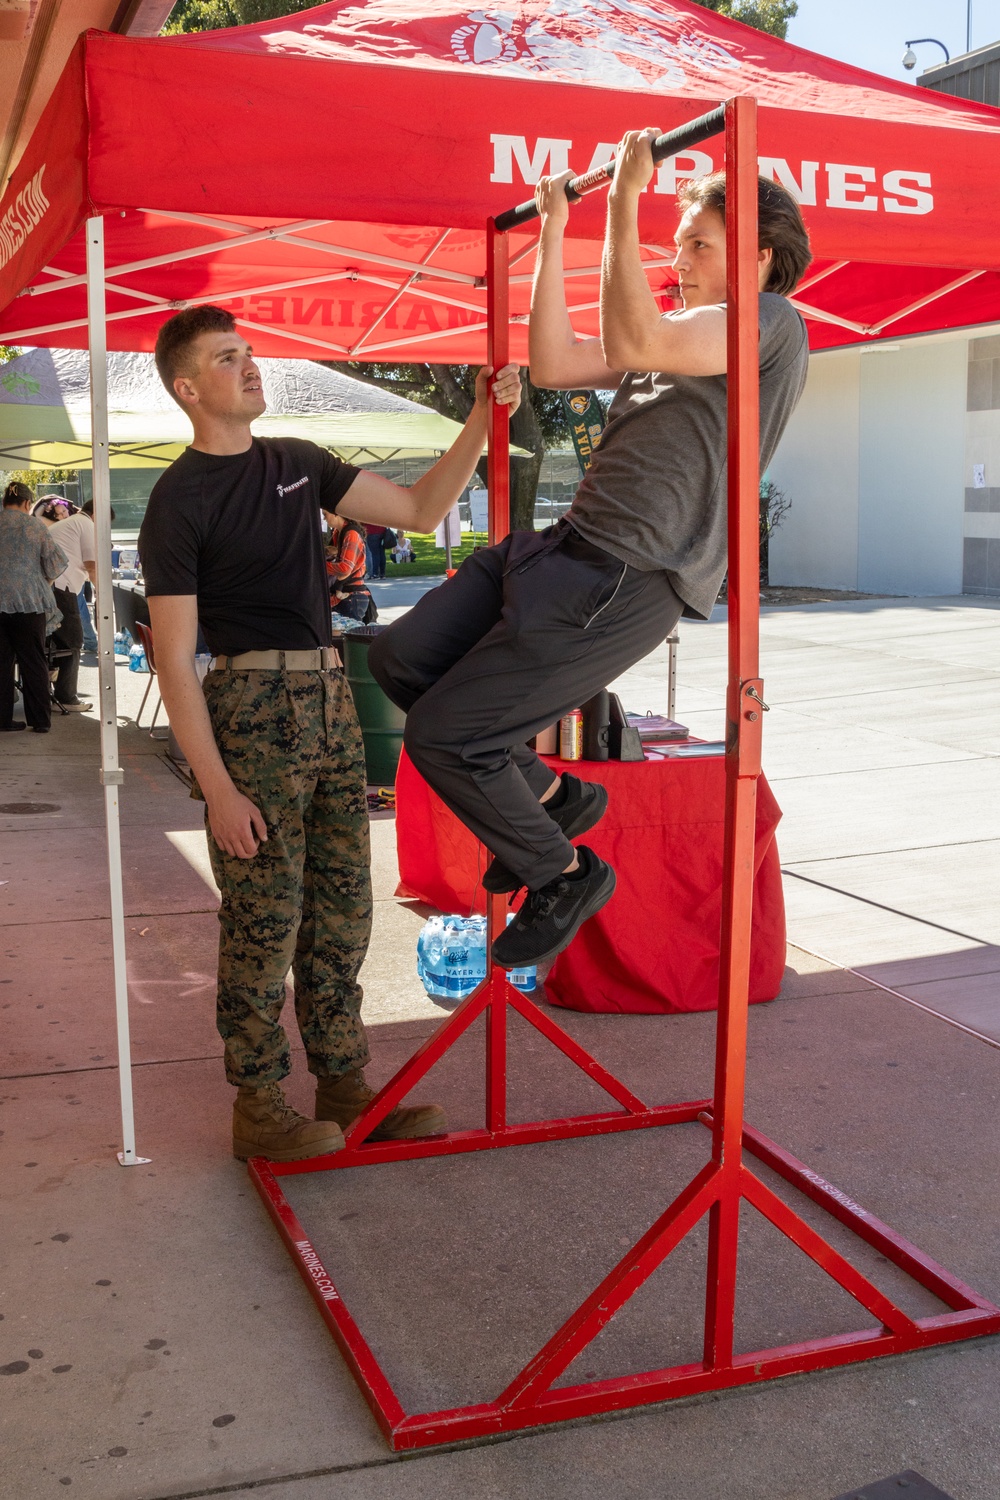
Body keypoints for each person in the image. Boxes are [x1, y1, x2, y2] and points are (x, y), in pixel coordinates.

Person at [370, 131, 811, 974]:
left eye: (698, 244)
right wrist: (556, 228)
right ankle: (556, 798)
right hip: (567, 549)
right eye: (677, 240)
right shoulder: (683, 330)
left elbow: (635, 338)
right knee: (401, 658)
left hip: (628, 573)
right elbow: (554, 360)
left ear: (755, 261)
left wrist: (621, 201)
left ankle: (565, 873)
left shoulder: (768, 323)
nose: (677, 257)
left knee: (443, 736)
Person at [138, 304, 520, 1164]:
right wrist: (219, 788)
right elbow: (172, 660)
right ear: (188, 388)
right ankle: (261, 1102)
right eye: (228, 358)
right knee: (264, 917)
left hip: (329, 699)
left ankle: (345, 1082)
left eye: (249, 352)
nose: (250, 366)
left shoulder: (298, 463)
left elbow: (423, 508)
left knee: (344, 909)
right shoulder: (178, 500)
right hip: (252, 709)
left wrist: (480, 421)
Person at [0, 481, 68, 733]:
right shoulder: (34, 526)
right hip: (29, 602)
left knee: (1, 663)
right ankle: (40, 721)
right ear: (28, 504)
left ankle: (2, 719)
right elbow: (55, 564)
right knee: (34, 661)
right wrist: (40, 582)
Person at [48, 499, 112, 712]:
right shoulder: (86, 524)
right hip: (60, 586)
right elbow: (91, 565)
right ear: (97, 515)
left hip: (51, 586)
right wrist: (103, 594)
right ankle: (66, 696)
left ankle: (50, 688)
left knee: (55, 640)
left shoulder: (71, 523)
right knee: (73, 640)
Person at [325, 509, 375, 623]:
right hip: (346, 595)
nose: (324, 518)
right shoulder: (338, 532)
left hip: (351, 596)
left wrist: (318, 565)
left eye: (325, 514)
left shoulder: (351, 533)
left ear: (336, 513)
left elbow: (344, 568)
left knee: (346, 637)